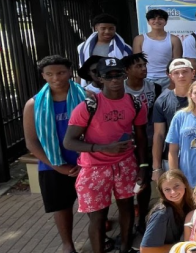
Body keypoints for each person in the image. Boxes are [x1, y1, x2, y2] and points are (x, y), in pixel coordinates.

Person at [63, 57, 149, 253]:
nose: (114, 79)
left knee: (126, 208)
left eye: (118, 74)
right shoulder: (88, 106)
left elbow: (142, 138)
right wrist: (102, 148)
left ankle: (125, 249)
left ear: (125, 74)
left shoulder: (136, 104)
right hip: (94, 167)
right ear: (99, 78)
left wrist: (143, 167)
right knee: (98, 216)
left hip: (125, 163)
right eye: (108, 76)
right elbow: (69, 141)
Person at [23, 55, 83, 253]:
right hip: (52, 164)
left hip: (85, 162)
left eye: (61, 72)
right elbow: (31, 141)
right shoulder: (33, 105)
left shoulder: (87, 97)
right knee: (61, 206)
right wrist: (57, 166)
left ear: (69, 72)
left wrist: (87, 160)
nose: (56, 78)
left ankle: (100, 235)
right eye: (49, 74)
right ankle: (68, 244)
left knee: (93, 203)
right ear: (43, 76)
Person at [123, 53, 162, 234]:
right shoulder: (120, 89)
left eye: (144, 65)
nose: (143, 69)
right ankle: (128, 218)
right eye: (138, 66)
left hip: (148, 139)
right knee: (126, 181)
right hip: (126, 141)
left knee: (144, 178)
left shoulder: (154, 87)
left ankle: (143, 216)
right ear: (127, 70)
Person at [153, 59, 194, 183]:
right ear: (170, 76)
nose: (181, 76)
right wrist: (156, 168)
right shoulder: (162, 101)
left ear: (193, 73)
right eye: (176, 73)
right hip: (171, 158)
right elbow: (159, 135)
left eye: (185, 72)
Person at [141, 170, 195, 253]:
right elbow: (145, 250)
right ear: (162, 192)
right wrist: (183, 247)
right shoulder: (161, 214)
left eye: (176, 186)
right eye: (167, 189)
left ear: (185, 184)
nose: (173, 192)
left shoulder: (193, 203)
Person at [134, 9, 183, 89]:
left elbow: (176, 63)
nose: (157, 21)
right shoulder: (139, 39)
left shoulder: (174, 39)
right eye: (153, 18)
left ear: (165, 21)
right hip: (146, 79)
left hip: (168, 79)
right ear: (148, 21)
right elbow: (137, 63)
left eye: (160, 18)